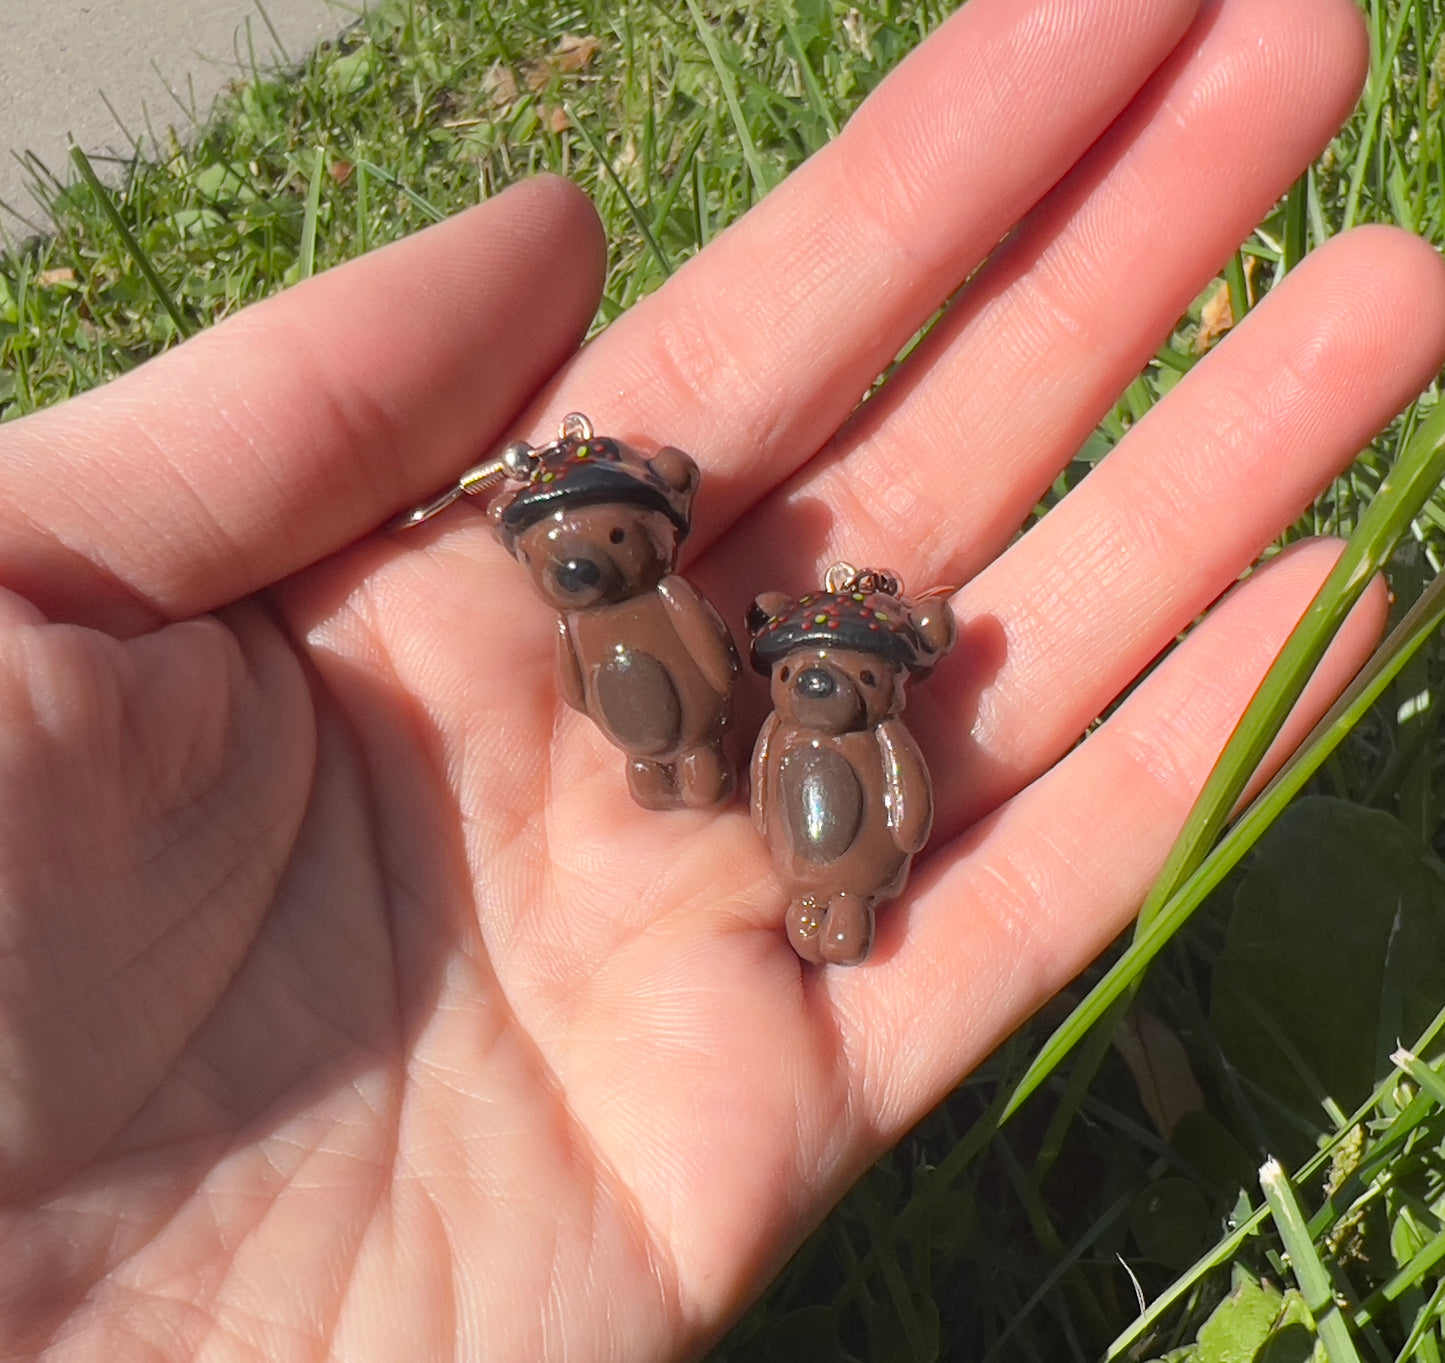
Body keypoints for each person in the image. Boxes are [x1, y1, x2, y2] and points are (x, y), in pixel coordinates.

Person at [0, 0, 1440, 1357]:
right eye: (567, 550)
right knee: (688, 769)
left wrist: (864, 809)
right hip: (674, 748)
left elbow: (823, 731)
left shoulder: (728, 639)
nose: (582, 569)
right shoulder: (617, 617)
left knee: (810, 864)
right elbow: (615, 664)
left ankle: (829, 891)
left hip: (816, 827)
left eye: (606, 542)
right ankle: (735, 821)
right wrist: (672, 731)